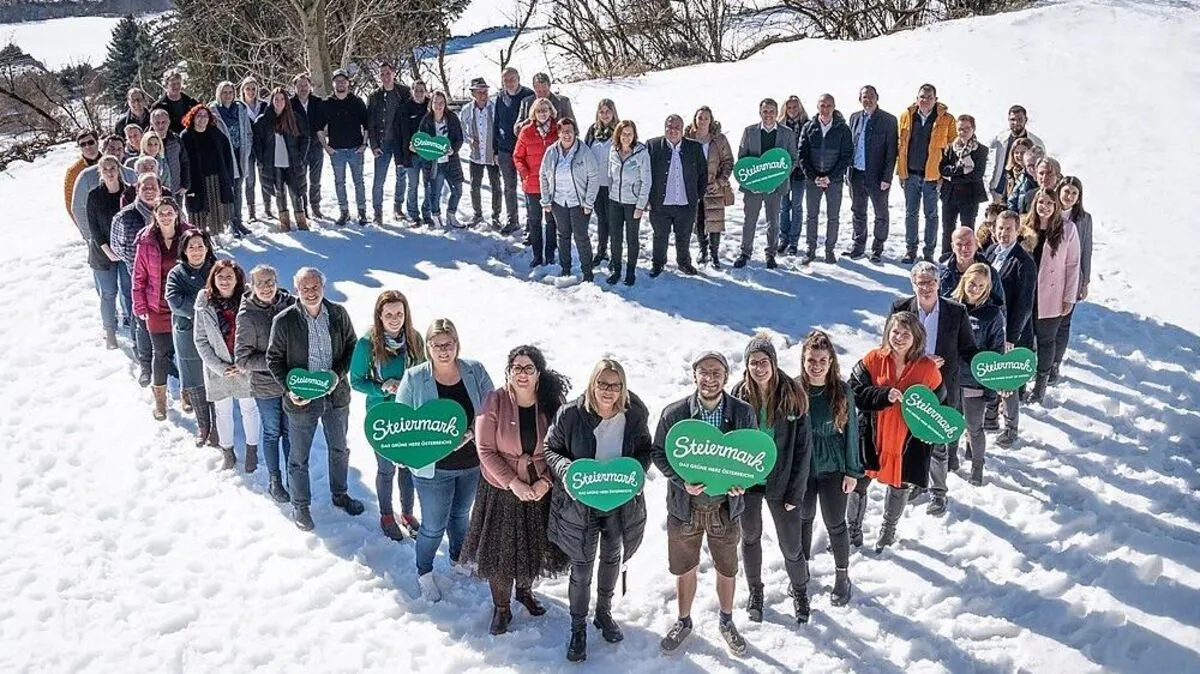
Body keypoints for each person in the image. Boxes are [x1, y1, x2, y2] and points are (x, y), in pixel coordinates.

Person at [544, 358, 653, 661]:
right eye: (602, 384)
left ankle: (603, 613)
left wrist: (636, 474)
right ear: (592, 383)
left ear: (623, 387)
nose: (608, 391)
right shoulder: (571, 414)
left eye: (614, 385)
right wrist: (566, 470)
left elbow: (645, 449)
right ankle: (577, 627)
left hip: (618, 500)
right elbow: (550, 449)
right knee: (581, 566)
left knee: (612, 557)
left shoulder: (634, 413)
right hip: (582, 503)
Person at [651, 351, 756, 657]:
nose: (710, 378)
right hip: (686, 508)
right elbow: (659, 452)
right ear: (694, 374)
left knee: (727, 568)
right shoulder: (675, 413)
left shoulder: (742, 412)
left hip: (725, 508)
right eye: (704, 372)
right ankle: (683, 622)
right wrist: (680, 480)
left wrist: (742, 482)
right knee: (684, 568)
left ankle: (726, 621)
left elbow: (751, 456)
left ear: (726, 376)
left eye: (716, 373)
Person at [463, 346, 571, 638]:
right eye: (517, 368)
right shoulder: (494, 400)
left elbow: (562, 448)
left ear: (539, 373)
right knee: (500, 553)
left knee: (532, 546)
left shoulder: (552, 403)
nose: (522, 374)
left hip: (539, 487)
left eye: (529, 368)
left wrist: (545, 482)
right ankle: (501, 607)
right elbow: (485, 449)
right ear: (508, 372)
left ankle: (524, 592)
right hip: (501, 489)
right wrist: (514, 483)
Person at [395, 319, 495, 601]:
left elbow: (492, 407)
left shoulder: (474, 370)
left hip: (471, 463)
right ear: (428, 347)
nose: (443, 350)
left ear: (457, 345)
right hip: (433, 468)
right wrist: (404, 451)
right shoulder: (415, 377)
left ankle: (458, 558)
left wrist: (471, 433)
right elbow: (401, 420)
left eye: (448, 344)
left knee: (461, 515)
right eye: (436, 345)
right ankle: (424, 571)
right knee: (433, 524)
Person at [266, 267, 364, 530]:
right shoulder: (285, 320)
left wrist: (337, 374)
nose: (310, 292)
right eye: (305, 288)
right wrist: (289, 389)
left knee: (339, 449)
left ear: (323, 286)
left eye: (315, 286)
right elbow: (273, 359)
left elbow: (353, 347)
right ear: (296, 290)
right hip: (302, 400)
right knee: (299, 456)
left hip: (336, 396)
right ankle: (301, 506)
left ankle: (340, 494)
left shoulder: (338, 314)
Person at [730, 334, 813, 624]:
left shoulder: (792, 394)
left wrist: (796, 493)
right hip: (749, 483)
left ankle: (801, 591)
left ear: (774, 363)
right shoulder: (738, 396)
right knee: (750, 537)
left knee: (791, 545)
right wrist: (731, 481)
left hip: (782, 481)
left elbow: (804, 449)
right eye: (753, 363)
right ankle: (755, 590)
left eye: (764, 362)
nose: (759, 368)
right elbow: (729, 443)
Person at [848, 312, 945, 552]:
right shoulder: (872, 359)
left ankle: (888, 531)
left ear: (916, 337)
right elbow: (852, 393)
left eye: (905, 333)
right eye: (895, 332)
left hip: (907, 439)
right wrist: (883, 395)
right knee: (859, 483)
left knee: (899, 485)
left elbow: (940, 403)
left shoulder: (928, 369)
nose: (899, 338)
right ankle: (852, 531)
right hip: (872, 435)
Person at [889, 261, 978, 515]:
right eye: (921, 282)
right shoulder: (900, 308)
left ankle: (938, 492)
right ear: (913, 284)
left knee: (937, 441)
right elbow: (890, 344)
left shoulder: (956, 311)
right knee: (910, 439)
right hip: (908, 385)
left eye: (931, 282)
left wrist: (987, 369)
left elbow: (968, 348)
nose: (926, 287)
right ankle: (917, 483)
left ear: (939, 284)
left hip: (942, 387)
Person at [349, 290, 425, 541]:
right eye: (389, 314)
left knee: (408, 467)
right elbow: (356, 381)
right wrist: (382, 387)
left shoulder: (414, 339)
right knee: (386, 468)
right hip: (381, 416)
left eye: (399, 314)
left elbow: (424, 372)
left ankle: (407, 513)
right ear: (379, 316)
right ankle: (386, 515)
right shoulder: (367, 344)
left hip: (408, 413)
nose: (394, 319)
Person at [797, 330, 860, 604]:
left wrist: (852, 471)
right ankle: (801, 573)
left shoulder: (842, 390)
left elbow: (852, 432)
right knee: (803, 519)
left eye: (823, 359)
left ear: (831, 360)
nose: (817, 365)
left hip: (834, 465)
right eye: (812, 359)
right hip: (804, 467)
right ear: (803, 359)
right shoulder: (795, 388)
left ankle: (842, 575)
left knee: (835, 522)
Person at [194, 260, 262, 471]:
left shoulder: (248, 299)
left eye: (229, 277)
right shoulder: (204, 301)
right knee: (222, 411)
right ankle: (228, 452)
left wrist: (246, 363)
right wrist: (220, 367)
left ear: (237, 279)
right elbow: (200, 339)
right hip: (218, 368)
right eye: (220, 276)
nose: (224, 281)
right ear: (213, 279)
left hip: (244, 365)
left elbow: (258, 333)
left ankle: (252, 451)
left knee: (249, 409)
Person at [235, 265, 293, 502]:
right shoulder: (247, 315)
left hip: (291, 384)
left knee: (291, 432)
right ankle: (275, 479)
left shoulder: (291, 304)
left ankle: (293, 477)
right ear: (252, 286)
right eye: (260, 283)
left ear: (277, 281)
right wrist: (275, 363)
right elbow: (242, 358)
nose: (266, 287)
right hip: (266, 386)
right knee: (272, 432)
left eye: (270, 281)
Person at [982, 210, 1037, 447]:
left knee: (1008, 381)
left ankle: (1011, 427)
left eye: (1008, 229)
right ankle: (991, 417)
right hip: (991, 328)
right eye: (1000, 228)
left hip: (1011, 330)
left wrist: (1011, 336)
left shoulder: (1024, 261)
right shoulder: (991, 252)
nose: (1003, 233)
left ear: (1018, 231)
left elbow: (1025, 303)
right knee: (992, 373)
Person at [132, 198, 189, 420]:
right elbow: (139, 276)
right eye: (161, 212)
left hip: (183, 303)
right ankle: (161, 400)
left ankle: (187, 393)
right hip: (157, 304)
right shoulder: (146, 240)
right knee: (160, 352)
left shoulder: (189, 235)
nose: (166, 216)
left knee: (186, 352)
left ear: (176, 213)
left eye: (169, 212)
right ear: (155, 215)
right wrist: (140, 304)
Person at [950, 263, 1005, 486]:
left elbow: (996, 351)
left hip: (975, 381)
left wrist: (991, 386)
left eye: (981, 286)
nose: (976, 289)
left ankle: (977, 466)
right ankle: (950, 460)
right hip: (952, 378)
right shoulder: (951, 306)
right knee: (951, 424)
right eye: (972, 283)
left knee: (974, 426)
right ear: (964, 281)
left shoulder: (992, 315)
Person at [1024, 188, 1080, 404]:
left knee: (1046, 341)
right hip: (1027, 295)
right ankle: (1020, 383)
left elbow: (1073, 265)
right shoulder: (1026, 227)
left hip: (1052, 295)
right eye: (1041, 202)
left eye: (1049, 203)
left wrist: (1069, 297)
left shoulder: (1067, 229)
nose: (1044, 207)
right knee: (1025, 341)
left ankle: (1040, 386)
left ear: (1056, 206)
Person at [165, 230, 218, 447]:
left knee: (215, 376)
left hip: (216, 331)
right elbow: (174, 300)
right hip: (187, 331)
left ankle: (217, 425)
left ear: (207, 247)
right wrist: (202, 309)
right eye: (191, 247)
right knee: (195, 379)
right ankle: (203, 424)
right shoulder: (176, 273)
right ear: (184, 250)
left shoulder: (217, 269)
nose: (196, 250)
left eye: (200, 246)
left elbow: (228, 291)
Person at [112, 173, 163, 385]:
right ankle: (144, 362)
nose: (149, 190)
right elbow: (117, 246)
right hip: (139, 277)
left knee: (162, 319)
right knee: (140, 318)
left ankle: (165, 359)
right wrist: (136, 264)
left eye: (153, 186)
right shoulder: (125, 216)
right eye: (145, 187)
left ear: (160, 189)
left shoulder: (169, 212)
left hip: (165, 276)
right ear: (137, 189)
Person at [735, 98, 798, 269]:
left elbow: (793, 159)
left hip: (775, 187)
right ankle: (745, 252)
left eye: (771, 111)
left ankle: (770, 254)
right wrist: (752, 180)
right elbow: (742, 158)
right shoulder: (749, 132)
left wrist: (779, 177)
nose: (768, 115)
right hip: (753, 187)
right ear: (760, 112)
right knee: (750, 220)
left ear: (777, 112)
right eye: (765, 111)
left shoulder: (787, 134)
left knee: (774, 221)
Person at [897, 84, 957, 263]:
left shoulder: (946, 119)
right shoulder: (906, 116)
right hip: (911, 174)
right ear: (917, 98)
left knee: (931, 215)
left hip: (932, 176)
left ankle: (929, 252)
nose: (925, 100)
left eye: (929, 97)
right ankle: (911, 249)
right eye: (922, 97)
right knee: (911, 213)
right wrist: (901, 172)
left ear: (935, 100)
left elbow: (952, 150)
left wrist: (944, 176)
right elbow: (900, 145)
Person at [647, 114, 708, 277]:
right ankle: (658, 264)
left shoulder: (694, 147)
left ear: (682, 129)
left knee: (684, 235)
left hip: (685, 203)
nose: (673, 130)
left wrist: (697, 196)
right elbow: (645, 175)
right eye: (670, 127)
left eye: (677, 127)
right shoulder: (653, 146)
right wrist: (647, 199)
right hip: (660, 203)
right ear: (665, 127)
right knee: (660, 236)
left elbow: (703, 173)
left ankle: (684, 263)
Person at [540, 117, 600, 279]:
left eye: (570, 131)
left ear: (575, 132)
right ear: (558, 133)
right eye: (563, 131)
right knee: (563, 235)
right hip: (558, 201)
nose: (567, 135)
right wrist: (546, 200)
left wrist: (589, 202)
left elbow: (594, 176)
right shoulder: (552, 152)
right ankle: (565, 268)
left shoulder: (584, 151)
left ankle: (587, 271)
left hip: (578, 203)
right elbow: (543, 176)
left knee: (581, 236)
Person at [797, 94, 853, 265]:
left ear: (834, 107)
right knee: (811, 216)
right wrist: (813, 177)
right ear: (817, 106)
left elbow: (846, 156)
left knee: (833, 217)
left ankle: (829, 250)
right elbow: (802, 155)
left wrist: (831, 177)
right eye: (822, 105)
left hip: (833, 181)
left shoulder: (842, 129)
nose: (825, 109)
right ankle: (811, 249)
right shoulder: (809, 127)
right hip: (813, 180)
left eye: (829, 105)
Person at [85, 155, 133, 349]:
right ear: (100, 172)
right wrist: (107, 249)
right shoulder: (94, 195)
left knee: (129, 291)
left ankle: (135, 326)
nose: (110, 172)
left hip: (126, 250)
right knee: (108, 293)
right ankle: (110, 330)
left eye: (113, 168)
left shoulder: (129, 192)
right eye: (105, 169)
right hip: (102, 252)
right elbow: (93, 227)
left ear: (119, 169)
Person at [846, 85, 898, 263]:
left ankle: (877, 248)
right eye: (864, 97)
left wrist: (887, 177)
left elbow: (892, 152)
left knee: (880, 213)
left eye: (870, 96)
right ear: (860, 99)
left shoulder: (888, 120)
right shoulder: (854, 118)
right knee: (858, 211)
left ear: (877, 97)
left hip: (877, 176)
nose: (867, 100)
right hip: (856, 174)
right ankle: (858, 246)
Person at [1053, 176, 1093, 385]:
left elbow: (1086, 249)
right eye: (1066, 191)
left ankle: (1055, 363)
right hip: (1049, 277)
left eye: (1074, 193)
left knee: (1064, 322)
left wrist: (1085, 281)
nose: (1069, 196)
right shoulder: (1051, 212)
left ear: (1078, 198)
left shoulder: (1083, 219)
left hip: (1073, 276)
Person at [254, 87, 311, 232]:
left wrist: (301, 156)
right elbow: (257, 143)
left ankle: (301, 220)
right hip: (273, 162)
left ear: (286, 101)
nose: (279, 102)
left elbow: (305, 138)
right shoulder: (263, 120)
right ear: (271, 101)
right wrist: (261, 161)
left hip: (292, 160)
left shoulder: (295, 118)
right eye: (276, 99)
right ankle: (284, 221)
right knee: (279, 192)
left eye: (282, 99)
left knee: (296, 191)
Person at [684, 106, 734, 269]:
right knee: (698, 219)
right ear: (695, 119)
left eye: (706, 118)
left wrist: (720, 181)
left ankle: (714, 253)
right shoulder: (688, 137)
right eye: (700, 118)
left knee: (715, 220)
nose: (703, 121)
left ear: (711, 120)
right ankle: (702, 250)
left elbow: (728, 162)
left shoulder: (719, 140)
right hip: (694, 187)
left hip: (714, 186)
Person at [513, 97, 559, 266]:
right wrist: (526, 173)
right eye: (539, 110)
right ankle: (537, 255)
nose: (542, 113)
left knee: (551, 220)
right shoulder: (526, 131)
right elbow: (517, 156)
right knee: (535, 220)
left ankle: (550, 253)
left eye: (545, 110)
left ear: (550, 111)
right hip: (532, 184)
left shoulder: (557, 130)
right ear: (533, 112)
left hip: (552, 185)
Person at [606, 119, 652, 286]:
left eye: (629, 134)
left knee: (632, 238)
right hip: (615, 201)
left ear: (634, 135)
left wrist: (640, 205)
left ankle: (631, 270)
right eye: (623, 134)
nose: (626, 137)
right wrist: (611, 193)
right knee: (615, 238)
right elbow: (610, 175)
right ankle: (617, 269)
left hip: (632, 202)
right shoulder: (613, 151)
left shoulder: (641, 153)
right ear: (618, 135)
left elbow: (647, 181)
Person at [322, 68, 370, 227]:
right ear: (333, 83)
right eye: (337, 81)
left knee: (359, 182)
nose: (341, 83)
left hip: (355, 149)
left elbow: (367, 125)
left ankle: (362, 211)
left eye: (343, 80)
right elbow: (319, 128)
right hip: (336, 151)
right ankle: (344, 212)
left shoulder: (357, 102)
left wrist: (364, 144)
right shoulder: (327, 103)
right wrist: (326, 146)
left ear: (348, 83)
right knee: (339, 182)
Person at [937, 114, 990, 254]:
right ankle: (947, 255)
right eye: (960, 129)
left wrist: (953, 177)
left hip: (969, 196)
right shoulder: (950, 148)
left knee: (967, 228)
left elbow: (977, 174)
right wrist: (958, 170)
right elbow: (943, 169)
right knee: (947, 228)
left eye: (967, 129)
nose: (963, 132)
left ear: (973, 129)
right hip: (950, 195)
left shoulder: (981, 150)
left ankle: (967, 255)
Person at [180, 105, 235, 236]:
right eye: (199, 116)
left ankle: (216, 234)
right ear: (192, 117)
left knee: (216, 208)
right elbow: (183, 160)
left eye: (205, 116)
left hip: (215, 177)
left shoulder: (215, 133)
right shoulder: (186, 136)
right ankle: (199, 236)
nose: (202, 119)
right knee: (197, 210)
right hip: (196, 179)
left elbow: (227, 153)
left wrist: (228, 175)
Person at [208, 81, 254, 237]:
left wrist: (246, 149)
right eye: (224, 92)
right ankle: (230, 221)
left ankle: (239, 220)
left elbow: (248, 131)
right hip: (225, 158)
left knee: (239, 189)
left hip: (240, 154)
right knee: (228, 190)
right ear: (219, 94)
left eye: (230, 92)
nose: (227, 95)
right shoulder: (213, 110)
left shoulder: (240, 109)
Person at [367, 61, 411, 225]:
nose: (385, 76)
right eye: (382, 74)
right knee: (379, 179)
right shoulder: (374, 96)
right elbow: (370, 123)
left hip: (400, 142)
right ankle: (377, 212)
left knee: (401, 176)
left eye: (388, 73)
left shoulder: (404, 93)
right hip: (382, 142)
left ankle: (397, 208)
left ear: (394, 73)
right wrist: (374, 145)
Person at [493, 68, 535, 235]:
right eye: (506, 80)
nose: (509, 82)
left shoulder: (528, 95)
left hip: (524, 150)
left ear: (518, 78)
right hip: (504, 150)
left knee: (528, 186)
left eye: (512, 78)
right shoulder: (500, 97)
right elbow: (496, 123)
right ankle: (513, 220)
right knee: (509, 187)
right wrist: (495, 150)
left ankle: (531, 222)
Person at [416, 90, 465, 228]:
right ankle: (436, 217)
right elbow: (421, 142)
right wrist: (416, 147)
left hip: (451, 161)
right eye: (436, 102)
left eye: (442, 102)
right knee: (435, 192)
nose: (439, 105)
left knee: (458, 190)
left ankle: (451, 215)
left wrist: (453, 150)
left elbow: (459, 138)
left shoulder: (452, 118)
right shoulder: (426, 121)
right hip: (434, 164)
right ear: (431, 104)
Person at [72, 139, 136, 241]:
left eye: (119, 149)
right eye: (111, 149)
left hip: (129, 239)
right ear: (103, 151)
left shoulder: (131, 174)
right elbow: (78, 208)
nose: (116, 152)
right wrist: (92, 237)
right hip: (101, 240)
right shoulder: (87, 175)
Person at [462, 77, 501, 228]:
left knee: (495, 185)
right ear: (473, 93)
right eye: (479, 92)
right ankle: (477, 214)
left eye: (484, 91)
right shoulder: (467, 110)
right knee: (475, 185)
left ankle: (496, 215)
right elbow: (461, 129)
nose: (482, 95)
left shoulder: (494, 107)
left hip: (492, 153)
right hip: (476, 154)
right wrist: (469, 140)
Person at [584, 99, 619, 266]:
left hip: (614, 185)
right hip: (596, 184)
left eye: (608, 111)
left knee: (614, 220)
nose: (605, 115)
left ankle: (615, 254)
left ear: (613, 113)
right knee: (602, 219)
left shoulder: (620, 130)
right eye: (602, 111)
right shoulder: (592, 131)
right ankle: (601, 251)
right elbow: (584, 153)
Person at [987, 105, 1045, 202]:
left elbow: (1043, 166)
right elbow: (990, 162)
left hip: (1026, 191)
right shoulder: (1000, 139)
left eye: (1019, 119)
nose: (1016, 123)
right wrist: (991, 186)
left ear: (1026, 120)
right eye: (1012, 120)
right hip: (1000, 190)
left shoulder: (1036, 142)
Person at [939, 226, 1005, 308]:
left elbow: (1000, 308)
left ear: (976, 244)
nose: (964, 248)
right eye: (959, 244)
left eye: (968, 243)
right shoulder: (941, 273)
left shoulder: (990, 273)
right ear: (953, 247)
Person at [291, 74, 328, 219]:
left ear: (310, 86)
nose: (303, 88)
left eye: (305, 85)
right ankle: (303, 207)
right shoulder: (290, 104)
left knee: (315, 179)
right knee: (301, 179)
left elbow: (324, 122)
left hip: (316, 146)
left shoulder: (317, 102)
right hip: (299, 148)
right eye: (299, 86)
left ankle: (315, 206)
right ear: (294, 88)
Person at [236, 77, 273, 220]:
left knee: (265, 178)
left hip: (263, 147)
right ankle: (251, 212)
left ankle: (268, 208)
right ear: (243, 90)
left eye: (253, 88)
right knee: (250, 180)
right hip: (247, 149)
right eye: (248, 88)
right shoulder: (239, 107)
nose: (251, 91)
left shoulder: (264, 106)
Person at [777, 94, 809, 256]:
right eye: (789, 107)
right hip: (783, 171)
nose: (792, 110)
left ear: (800, 107)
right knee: (783, 207)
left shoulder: (807, 124)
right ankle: (783, 239)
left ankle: (794, 241)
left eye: (795, 107)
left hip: (800, 172)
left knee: (796, 206)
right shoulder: (780, 126)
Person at [395, 80, 430, 225]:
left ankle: (427, 213)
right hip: (410, 155)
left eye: (422, 90)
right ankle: (413, 214)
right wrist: (400, 159)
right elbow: (398, 135)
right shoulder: (404, 109)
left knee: (429, 185)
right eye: (416, 90)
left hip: (429, 154)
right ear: (412, 91)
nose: (419, 93)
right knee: (413, 185)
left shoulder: (431, 107)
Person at [149, 108, 190, 200]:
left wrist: (185, 184)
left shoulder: (176, 139)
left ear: (169, 122)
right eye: (157, 123)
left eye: (164, 122)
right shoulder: (146, 141)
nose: (161, 125)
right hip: (155, 192)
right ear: (152, 124)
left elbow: (184, 161)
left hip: (176, 190)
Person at [64, 129, 101, 231]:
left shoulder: (110, 161)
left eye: (90, 142)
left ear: (97, 142)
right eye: (83, 145)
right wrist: (85, 230)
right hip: (93, 223)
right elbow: (70, 204)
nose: (88, 147)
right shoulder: (73, 172)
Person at [152, 69, 200, 135]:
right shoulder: (159, 106)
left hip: (189, 138)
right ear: (166, 85)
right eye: (173, 84)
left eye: (178, 83)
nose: (176, 86)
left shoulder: (190, 102)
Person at [1007, 146, 1046, 214]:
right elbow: (1012, 202)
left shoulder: (1052, 179)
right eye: (1029, 166)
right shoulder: (1022, 180)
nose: (1033, 168)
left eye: (1035, 164)